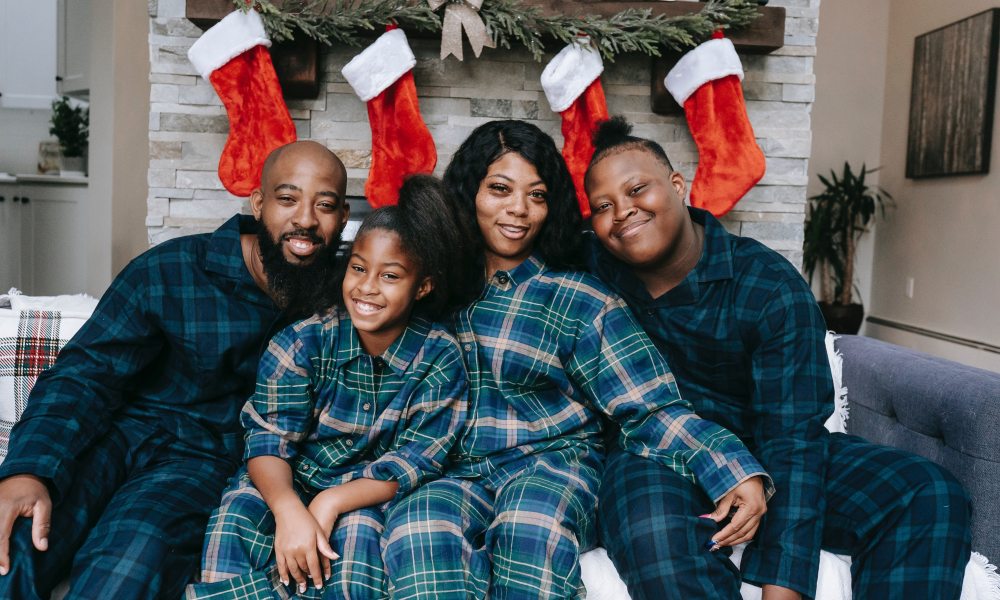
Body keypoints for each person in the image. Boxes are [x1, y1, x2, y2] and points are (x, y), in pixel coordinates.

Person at [584, 116, 972, 600]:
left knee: (927, 492)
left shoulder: (767, 284)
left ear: (679, 185)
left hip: (769, 447)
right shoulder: (590, 267)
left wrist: (782, 588)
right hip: (655, 455)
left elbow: (793, 439)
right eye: (603, 206)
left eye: (638, 188)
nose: (623, 211)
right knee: (654, 535)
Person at [382, 120, 772, 600]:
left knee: (529, 528)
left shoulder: (579, 298)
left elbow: (649, 406)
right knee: (417, 524)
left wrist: (734, 470)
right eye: (499, 189)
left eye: (538, 195)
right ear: (469, 193)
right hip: (457, 471)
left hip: (554, 467)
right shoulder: (431, 288)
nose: (519, 210)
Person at [0, 140, 352, 599]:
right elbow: (85, 375)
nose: (305, 219)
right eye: (287, 199)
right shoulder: (170, 269)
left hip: (199, 463)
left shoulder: (351, 297)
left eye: (323, 205)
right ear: (259, 203)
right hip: (116, 436)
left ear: (343, 217)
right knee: (12, 547)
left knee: (123, 575)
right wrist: (27, 472)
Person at [185, 175, 475, 600]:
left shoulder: (440, 356)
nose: (367, 287)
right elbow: (268, 440)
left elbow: (417, 461)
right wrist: (289, 511)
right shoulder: (303, 341)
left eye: (390, 276)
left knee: (351, 554)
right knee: (236, 519)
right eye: (359, 268)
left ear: (423, 286)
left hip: (366, 493)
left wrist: (330, 502)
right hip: (287, 480)